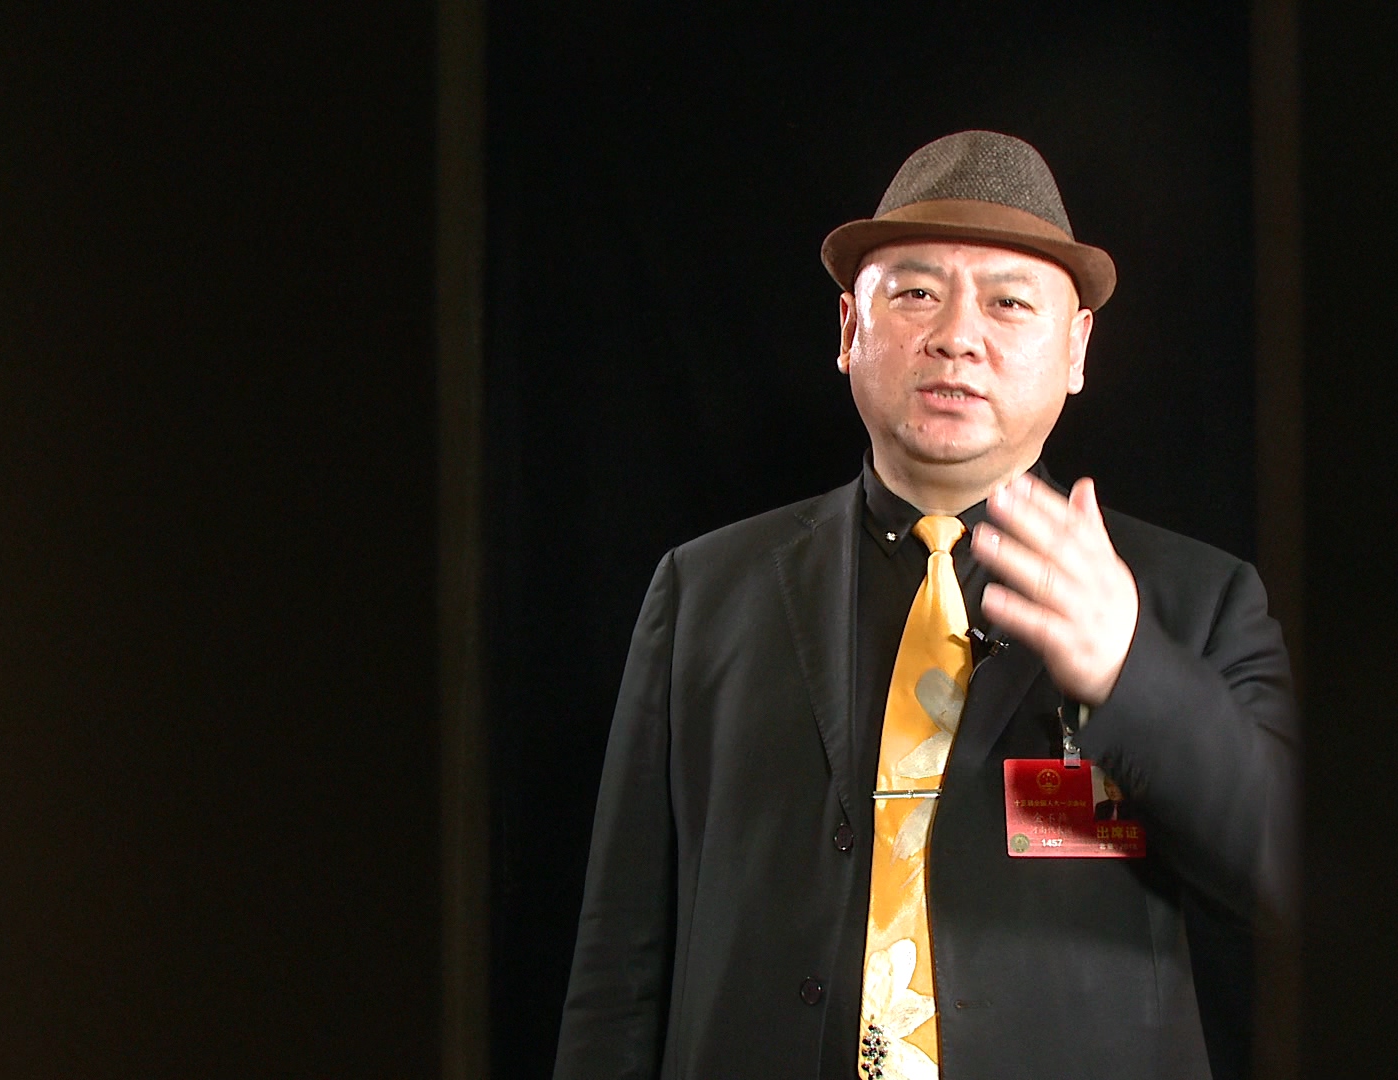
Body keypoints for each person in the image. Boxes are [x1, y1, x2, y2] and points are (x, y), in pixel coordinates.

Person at [553, 131, 1297, 1080]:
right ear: (848, 331)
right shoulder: (703, 593)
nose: (956, 335)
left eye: (1008, 302)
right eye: (914, 293)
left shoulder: (1198, 597)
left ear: (1075, 349)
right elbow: (618, 965)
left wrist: (1130, 672)